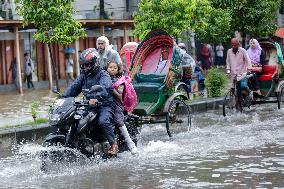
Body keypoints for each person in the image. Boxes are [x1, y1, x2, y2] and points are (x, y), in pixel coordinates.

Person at [62, 48, 118, 155]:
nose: (85, 67)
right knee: (76, 119)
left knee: (103, 121)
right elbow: (73, 88)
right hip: (89, 105)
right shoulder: (83, 76)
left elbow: (105, 88)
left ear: (95, 63)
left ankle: (114, 144)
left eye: (88, 65)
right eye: (83, 65)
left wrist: (96, 98)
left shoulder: (103, 74)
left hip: (104, 105)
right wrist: (62, 99)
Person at [106, 61, 138, 155]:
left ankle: (131, 144)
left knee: (118, 120)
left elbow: (120, 95)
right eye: (110, 67)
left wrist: (111, 89)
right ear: (106, 68)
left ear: (118, 69)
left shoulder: (120, 81)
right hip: (104, 103)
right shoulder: (103, 78)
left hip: (116, 104)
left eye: (114, 68)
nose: (112, 69)